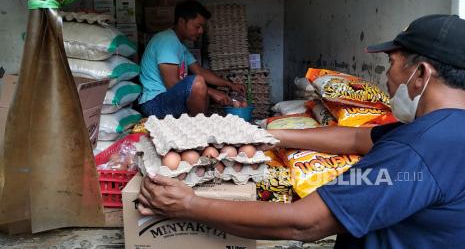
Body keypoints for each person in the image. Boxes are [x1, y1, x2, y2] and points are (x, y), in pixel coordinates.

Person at [136, 14, 465, 248]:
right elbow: (353, 137)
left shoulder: (416, 149)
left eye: (391, 64)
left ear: (421, 73)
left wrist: (189, 206)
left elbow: (304, 222)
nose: (388, 78)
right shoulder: (441, 130)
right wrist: (268, 136)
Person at [138, 0, 245, 118]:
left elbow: (200, 71)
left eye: (202, 27)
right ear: (181, 22)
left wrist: (230, 85)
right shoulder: (167, 41)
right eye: (197, 26)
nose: (201, 31)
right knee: (199, 83)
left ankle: (198, 123)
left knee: (202, 85)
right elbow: (172, 84)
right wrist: (212, 92)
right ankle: (198, 127)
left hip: (166, 100)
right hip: (154, 104)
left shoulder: (180, 45)